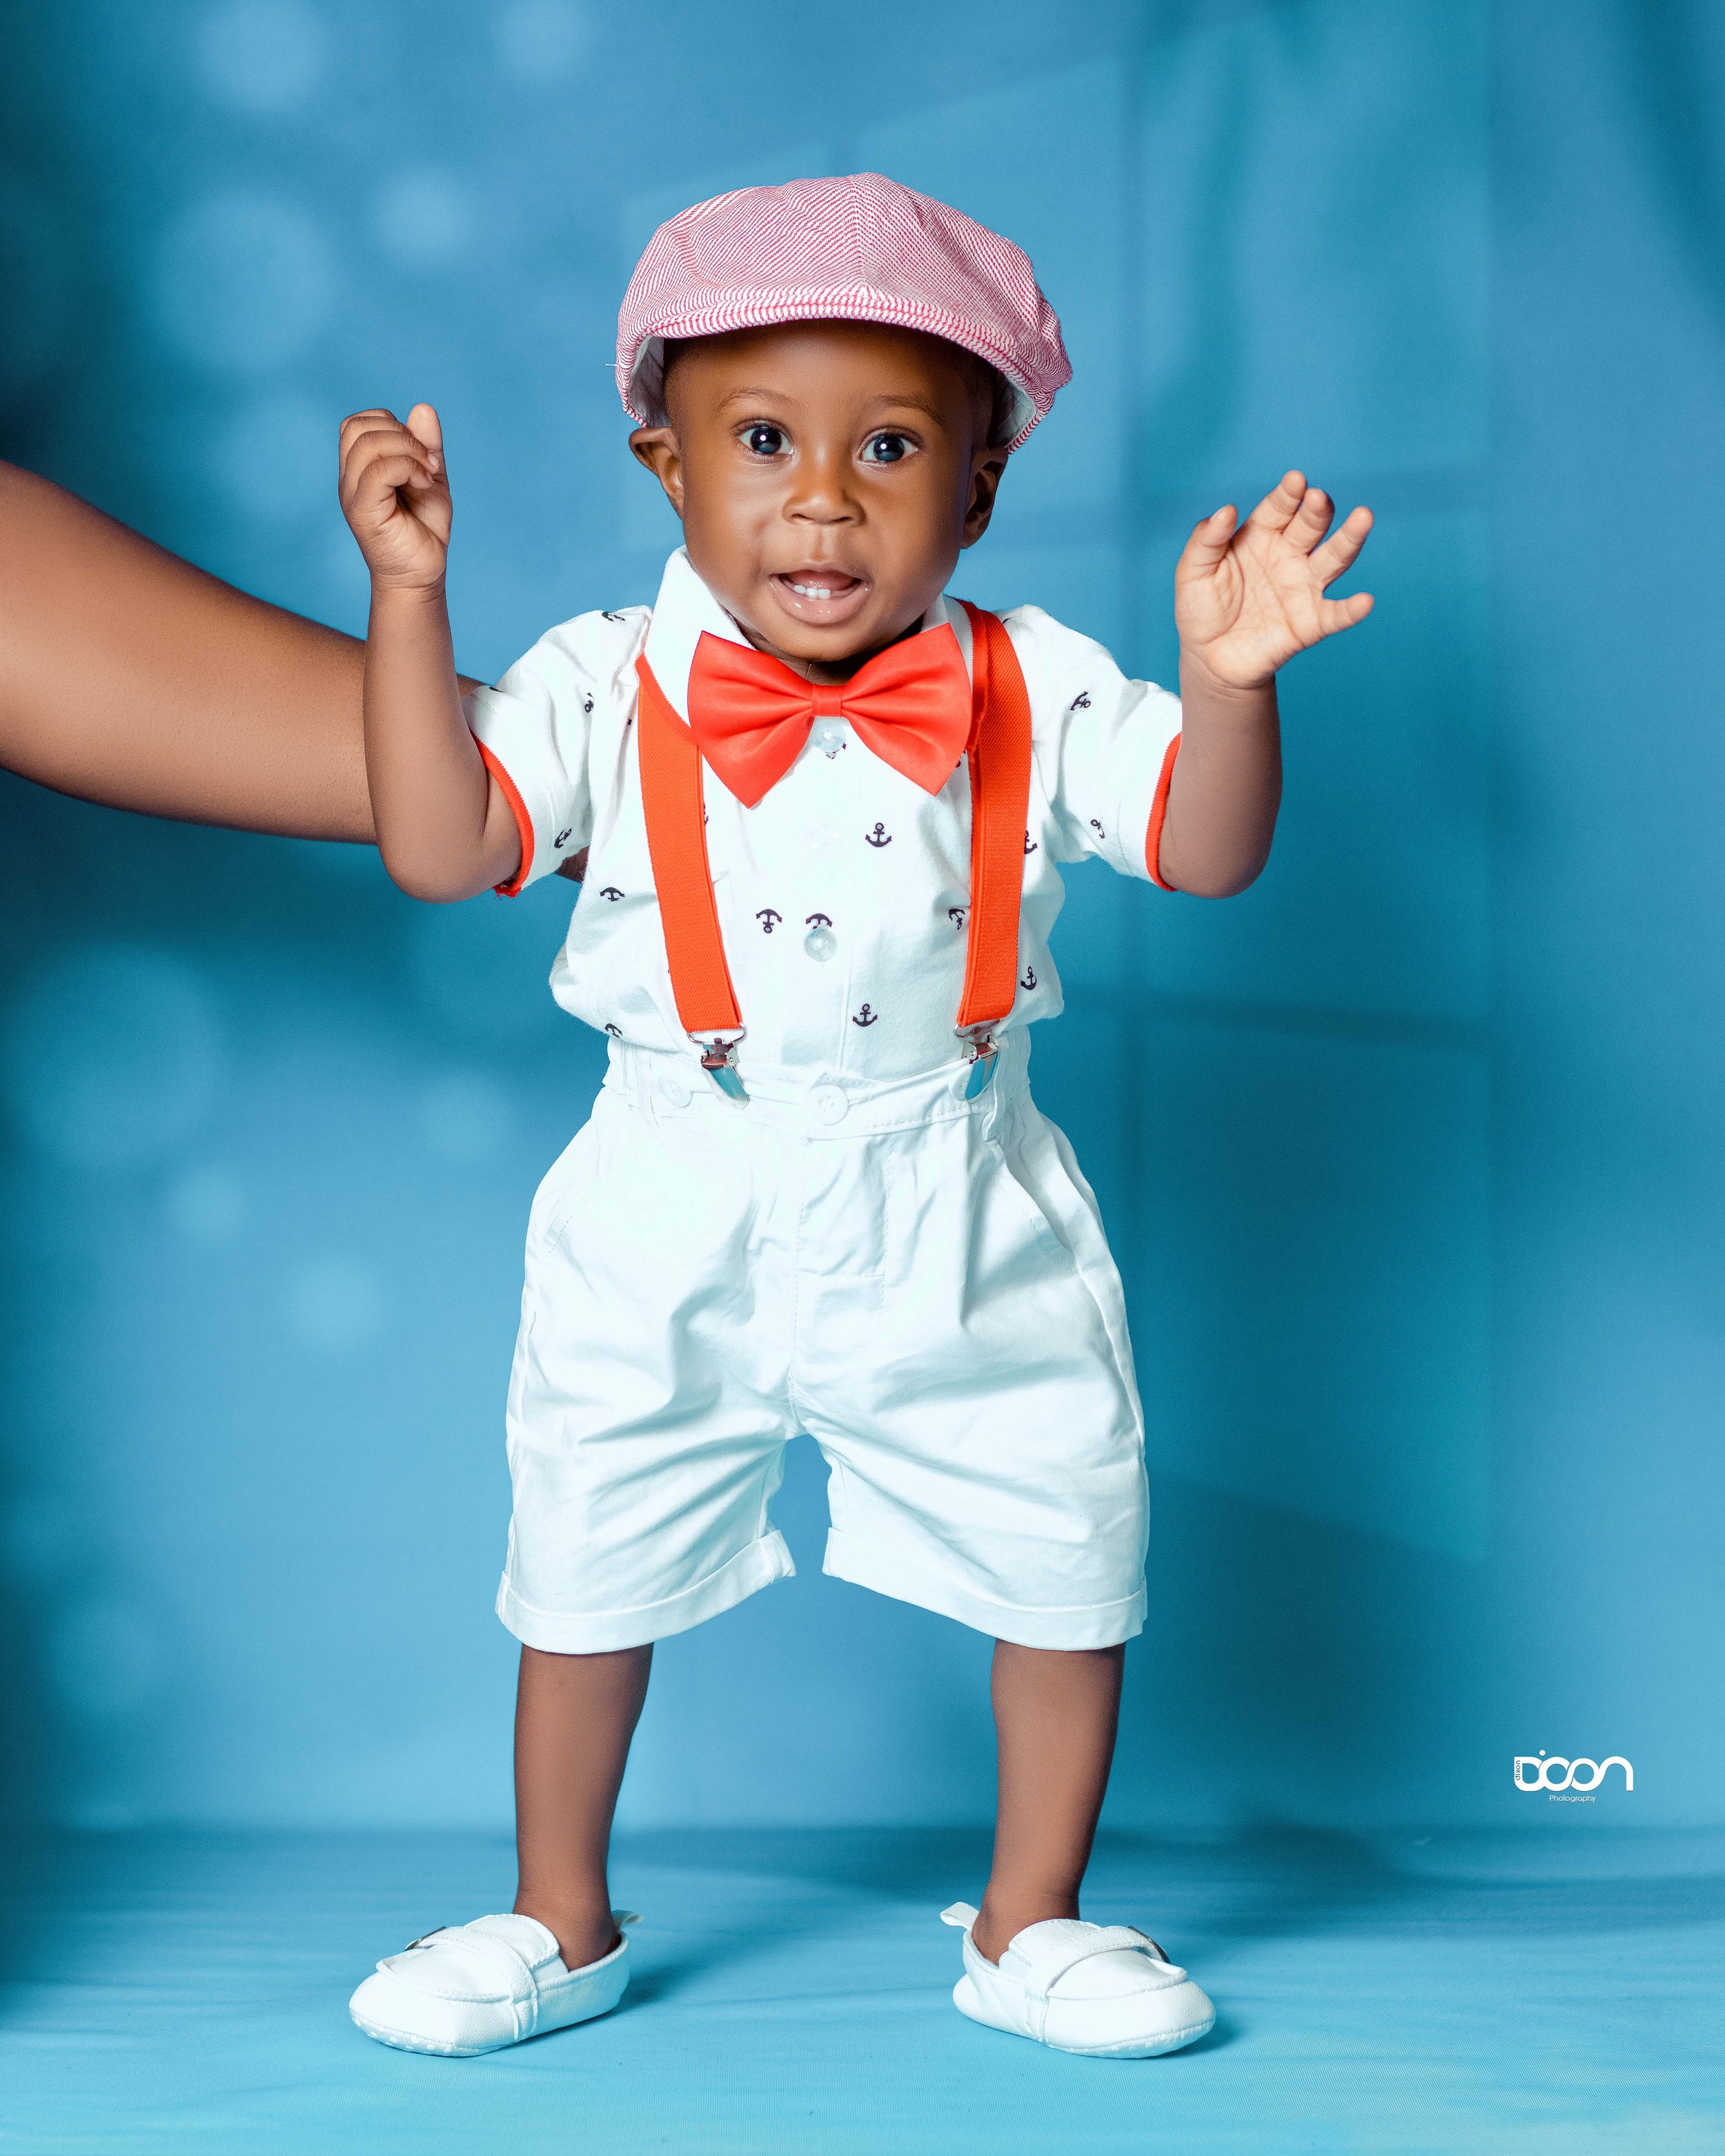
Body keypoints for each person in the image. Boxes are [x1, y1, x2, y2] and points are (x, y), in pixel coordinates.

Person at [0, 172, 1372, 2064]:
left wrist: (1227, 692)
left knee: (1063, 1538)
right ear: (661, 463)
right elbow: (434, 843)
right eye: (759, 440)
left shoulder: (1031, 683)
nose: (822, 494)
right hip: (672, 1182)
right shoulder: (594, 682)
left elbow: (1204, 858)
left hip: (956, 1180)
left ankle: (1031, 1920)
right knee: (585, 1558)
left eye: (890, 445)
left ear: (976, 489)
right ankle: (558, 1915)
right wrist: (410, 603)